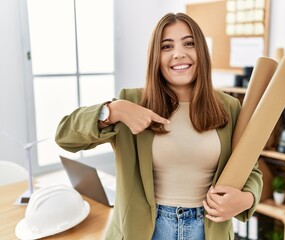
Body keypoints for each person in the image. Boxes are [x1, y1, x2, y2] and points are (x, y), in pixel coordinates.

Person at [55, 12, 262, 240]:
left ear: (201, 51)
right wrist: (113, 110)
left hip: (207, 230)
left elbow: (250, 169)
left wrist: (247, 199)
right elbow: (65, 137)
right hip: (146, 230)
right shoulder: (132, 102)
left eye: (189, 43)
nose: (179, 54)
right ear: (156, 56)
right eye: (166, 46)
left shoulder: (229, 107)